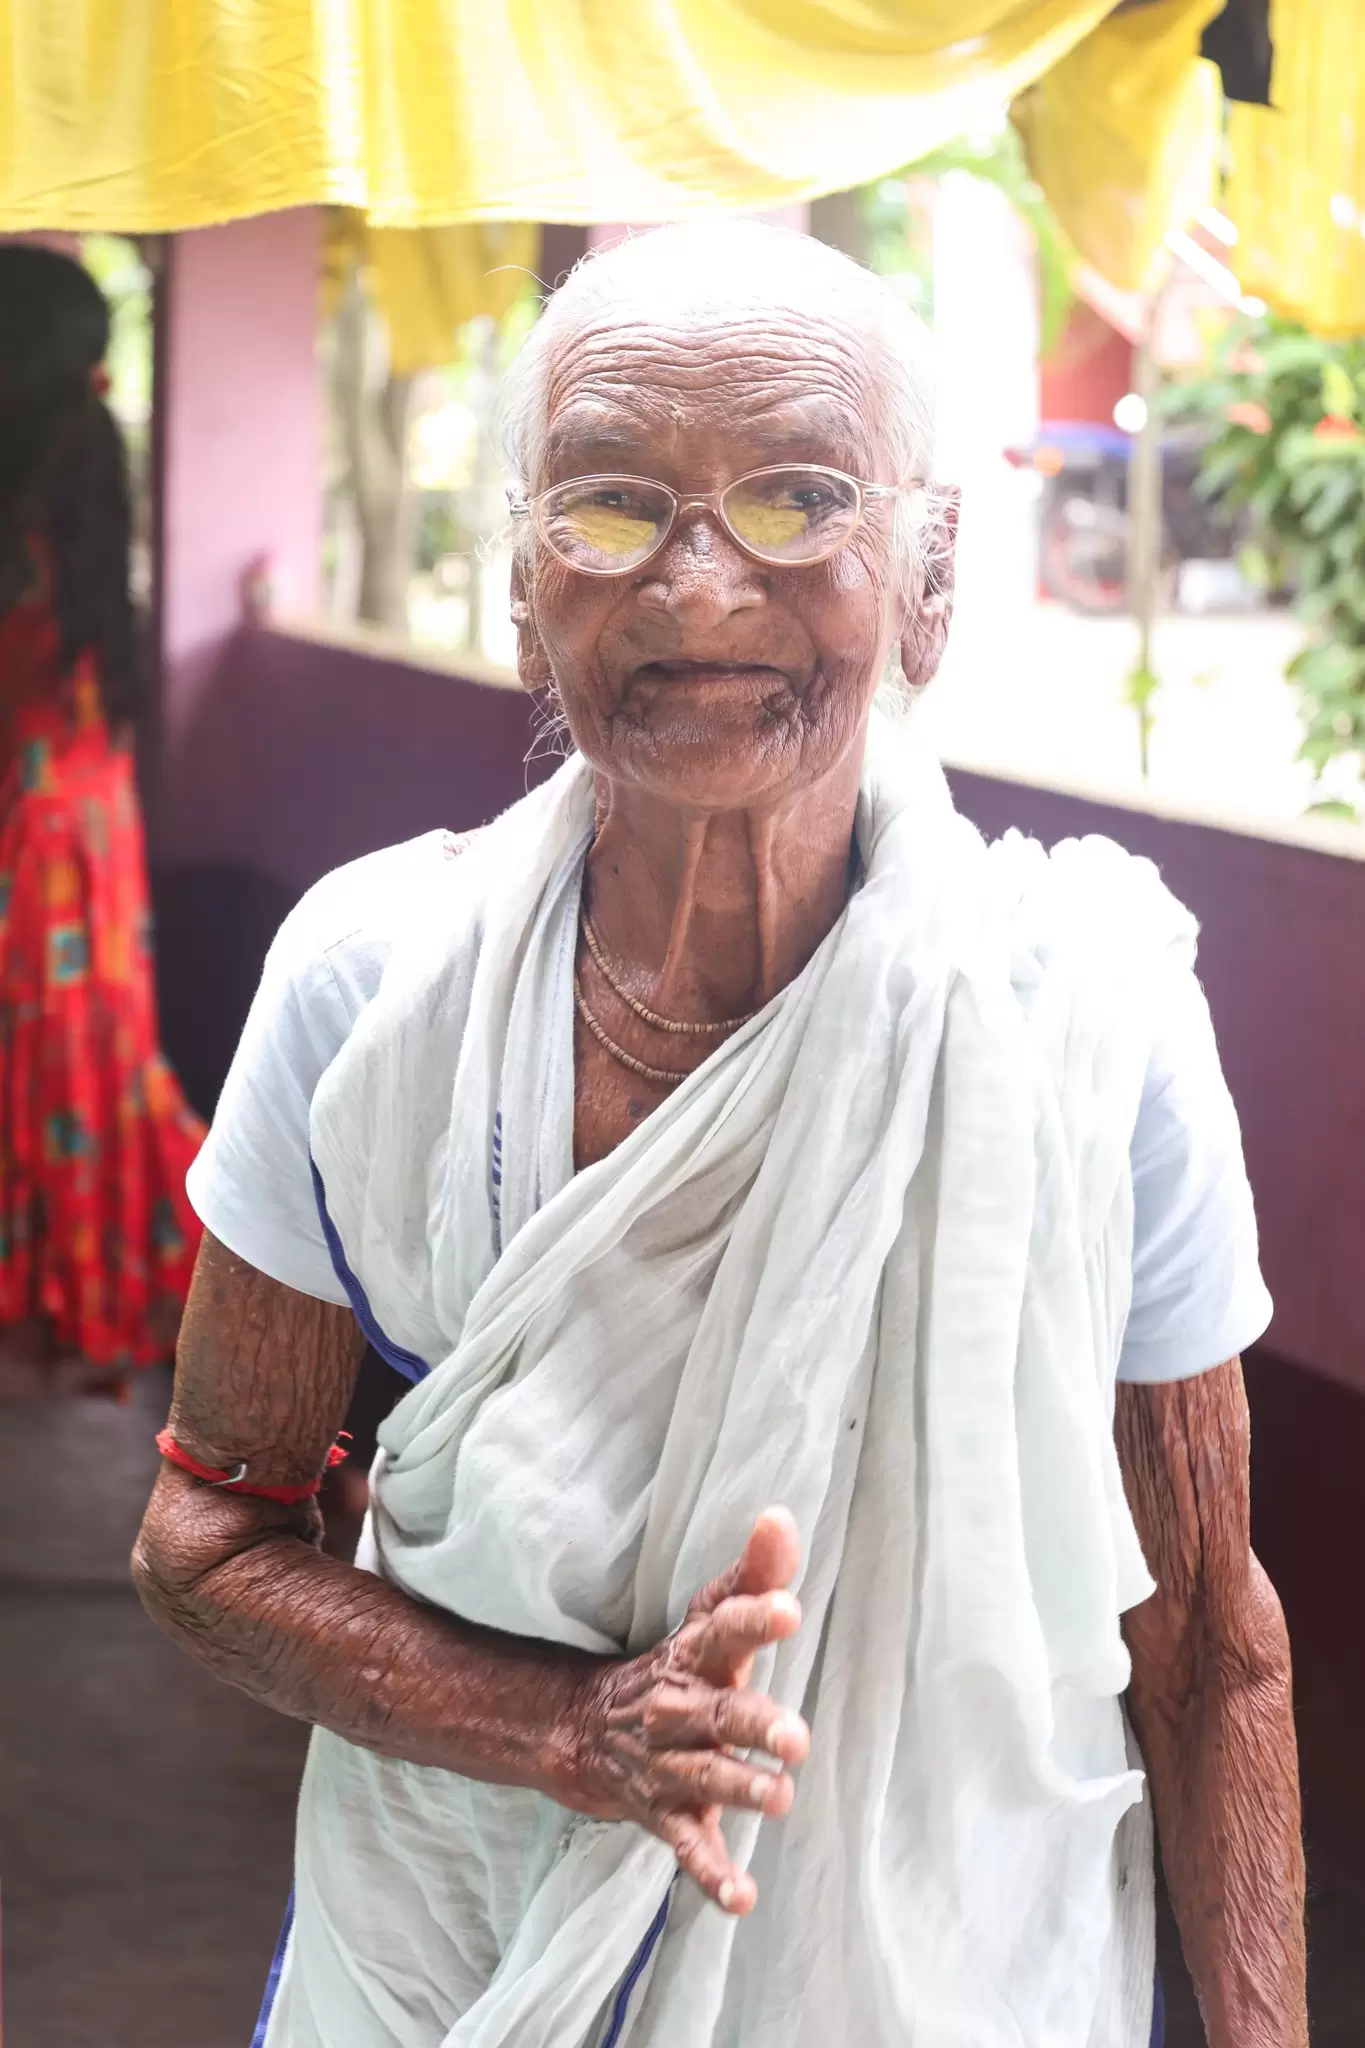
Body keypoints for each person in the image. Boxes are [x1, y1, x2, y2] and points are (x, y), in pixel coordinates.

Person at [133, 223, 1306, 2048]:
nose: (696, 585)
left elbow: (1213, 1653)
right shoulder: (374, 989)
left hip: (954, 1981)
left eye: (798, 498)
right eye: (609, 504)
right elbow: (207, 1540)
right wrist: (564, 1729)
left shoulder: (1083, 1025)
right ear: (522, 584)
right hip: (449, 1968)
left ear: (929, 581)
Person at [0, 244, 203, 1397]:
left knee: (34, 1053)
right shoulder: (85, 469)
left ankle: (40, 1304)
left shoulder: (17, 501)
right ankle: (86, 1296)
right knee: (90, 1055)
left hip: (25, 829)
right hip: (89, 820)